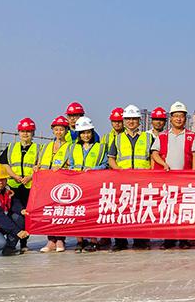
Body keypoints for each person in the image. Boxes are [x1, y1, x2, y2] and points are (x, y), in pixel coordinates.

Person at [151, 101, 195, 249]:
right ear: (171, 118)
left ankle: (184, 239)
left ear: (185, 118)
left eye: (181, 116)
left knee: (184, 209)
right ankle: (169, 239)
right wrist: (164, 164)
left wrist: (194, 174)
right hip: (167, 181)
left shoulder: (192, 136)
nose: (179, 119)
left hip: (185, 181)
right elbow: (154, 153)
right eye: (176, 116)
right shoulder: (163, 136)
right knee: (169, 209)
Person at [107, 104, 154, 250]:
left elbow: (153, 156)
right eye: (128, 119)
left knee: (141, 210)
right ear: (124, 121)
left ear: (139, 120)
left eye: (134, 119)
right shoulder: (118, 138)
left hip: (142, 181)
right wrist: (119, 170)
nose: (131, 122)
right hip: (123, 181)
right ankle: (120, 241)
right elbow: (111, 158)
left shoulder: (148, 137)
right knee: (122, 210)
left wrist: (152, 173)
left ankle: (141, 240)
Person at [61, 116, 108, 252]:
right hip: (77, 185)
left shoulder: (100, 147)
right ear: (79, 134)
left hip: (94, 184)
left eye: (88, 132)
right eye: (82, 133)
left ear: (92, 132)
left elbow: (105, 165)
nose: (86, 135)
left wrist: (93, 169)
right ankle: (80, 240)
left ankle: (93, 240)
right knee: (78, 213)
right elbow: (71, 165)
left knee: (92, 213)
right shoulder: (73, 147)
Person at [0, 117, 39, 252]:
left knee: (27, 216)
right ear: (18, 132)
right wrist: (14, 176)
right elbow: (4, 164)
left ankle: (24, 243)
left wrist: (30, 177)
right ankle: (11, 242)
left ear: (33, 133)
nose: (25, 134)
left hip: (30, 188)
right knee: (15, 216)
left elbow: (40, 166)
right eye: (22, 131)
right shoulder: (11, 147)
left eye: (28, 131)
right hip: (13, 188)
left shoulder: (39, 148)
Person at [35, 116, 70, 253]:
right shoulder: (46, 146)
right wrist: (36, 168)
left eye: (61, 129)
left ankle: (60, 239)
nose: (59, 132)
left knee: (60, 212)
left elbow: (72, 164)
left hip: (61, 184)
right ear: (53, 131)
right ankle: (51, 240)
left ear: (66, 131)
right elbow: (39, 163)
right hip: (46, 184)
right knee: (49, 212)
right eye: (56, 129)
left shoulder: (70, 147)